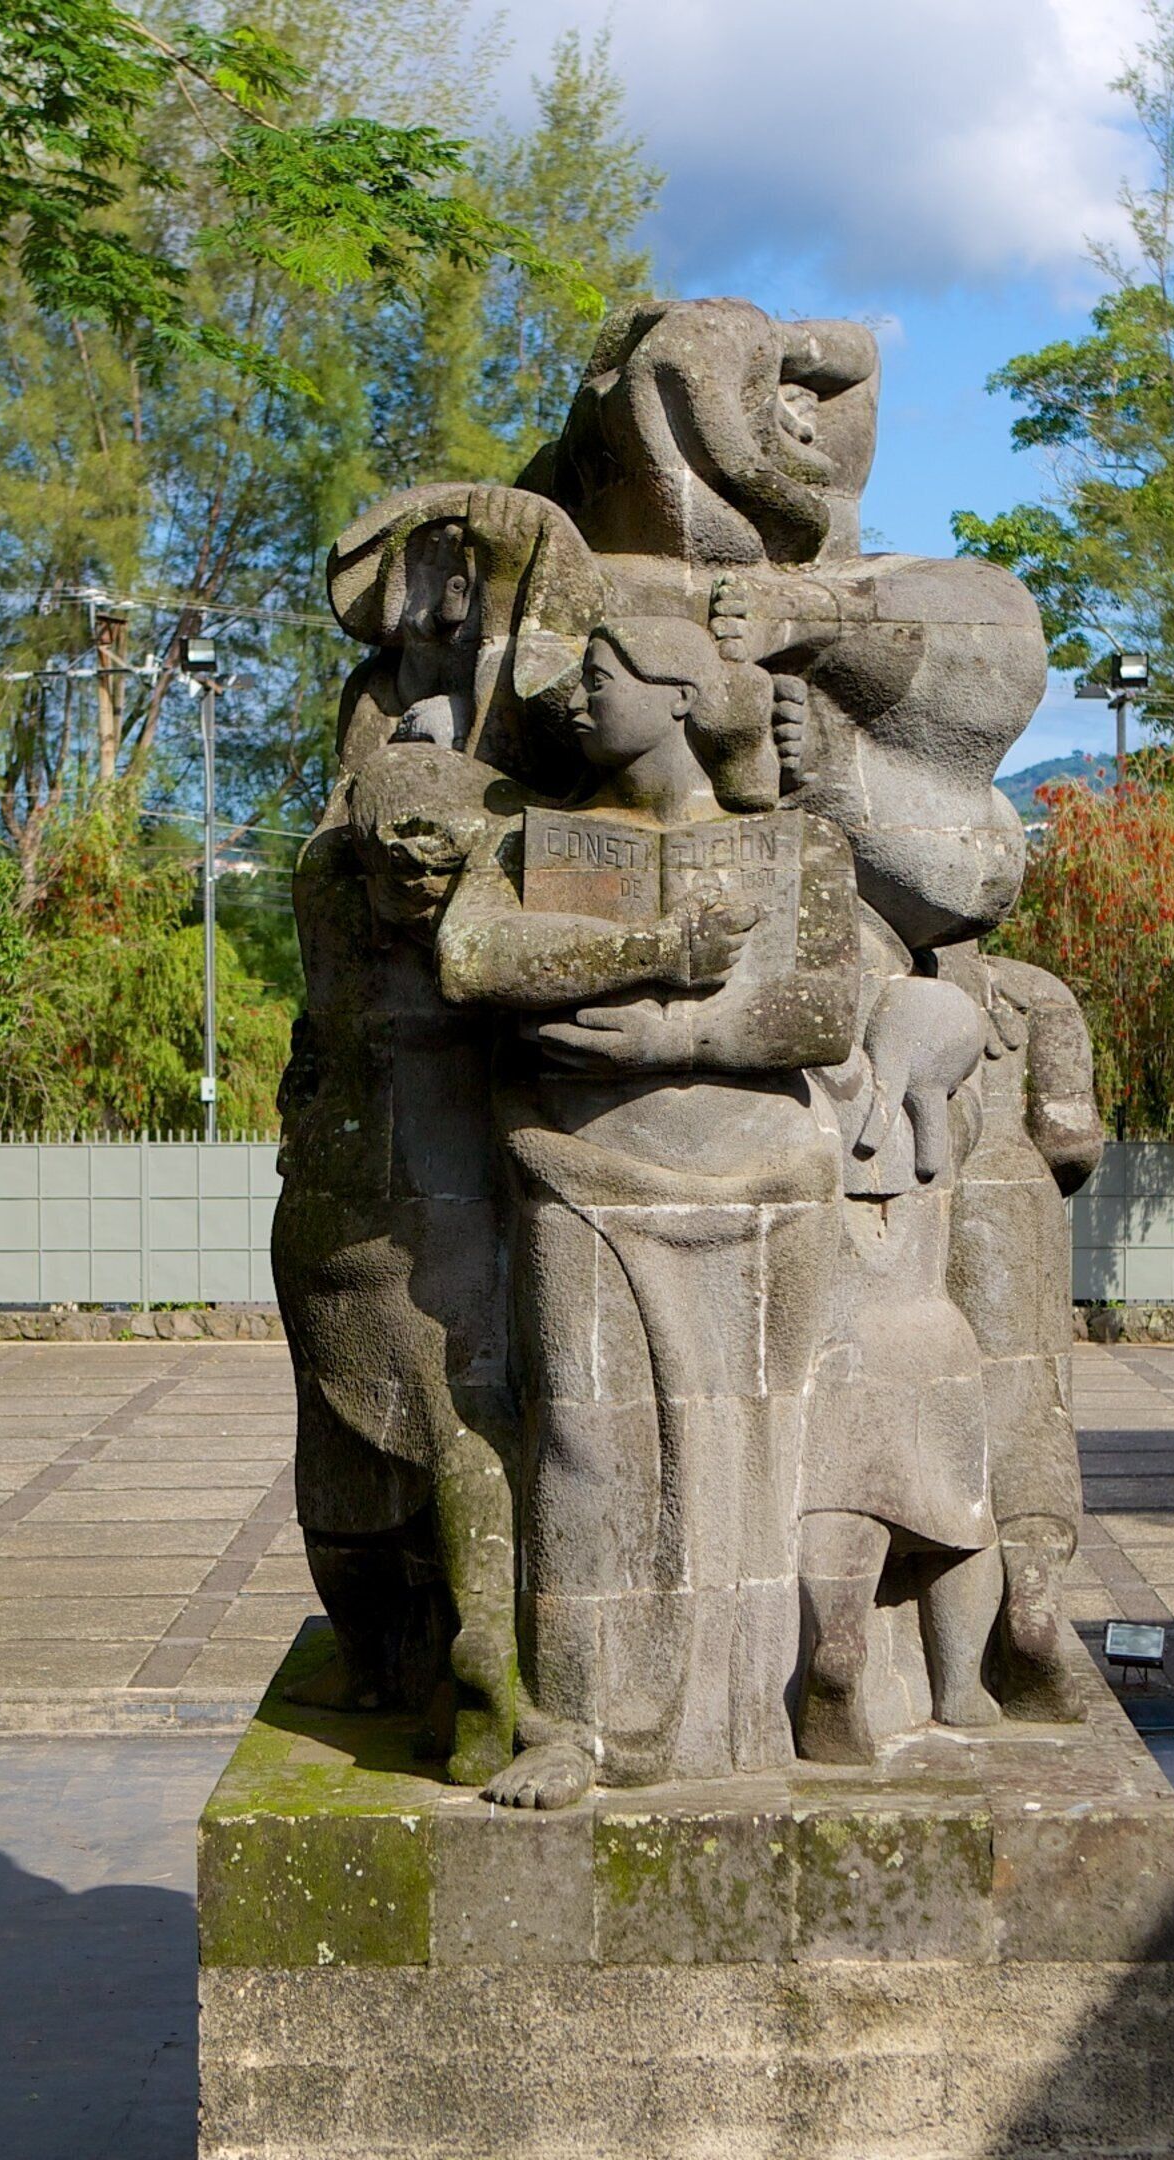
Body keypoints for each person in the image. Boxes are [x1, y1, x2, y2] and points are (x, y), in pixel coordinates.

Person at [434, 617, 867, 1807]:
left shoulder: (792, 849)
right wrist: (660, 951)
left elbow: (825, 1014)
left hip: (766, 1193)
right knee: (583, 1436)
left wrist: (680, 1034)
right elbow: (473, 960)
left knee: (752, 1453)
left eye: (603, 675)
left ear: (679, 695)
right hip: (587, 1174)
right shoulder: (548, 839)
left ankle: (744, 1715)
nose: (576, 697)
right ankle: (577, 1722)